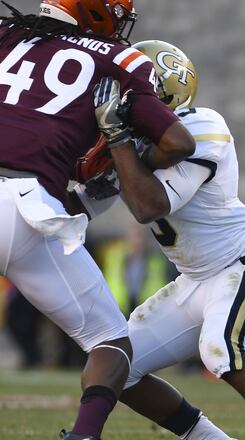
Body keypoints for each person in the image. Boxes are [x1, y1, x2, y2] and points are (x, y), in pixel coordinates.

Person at [89, 40, 245, 440]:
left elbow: (148, 206)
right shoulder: (125, 144)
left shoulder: (201, 125)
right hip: (193, 280)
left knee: (220, 349)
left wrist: (119, 141)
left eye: (132, 94)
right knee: (117, 366)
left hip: (243, 264)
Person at [0, 1, 195, 438]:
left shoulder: (7, 35)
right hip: (21, 204)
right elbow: (178, 142)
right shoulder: (120, 59)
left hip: (24, 199)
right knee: (110, 343)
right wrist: (120, 137)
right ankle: (84, 435)